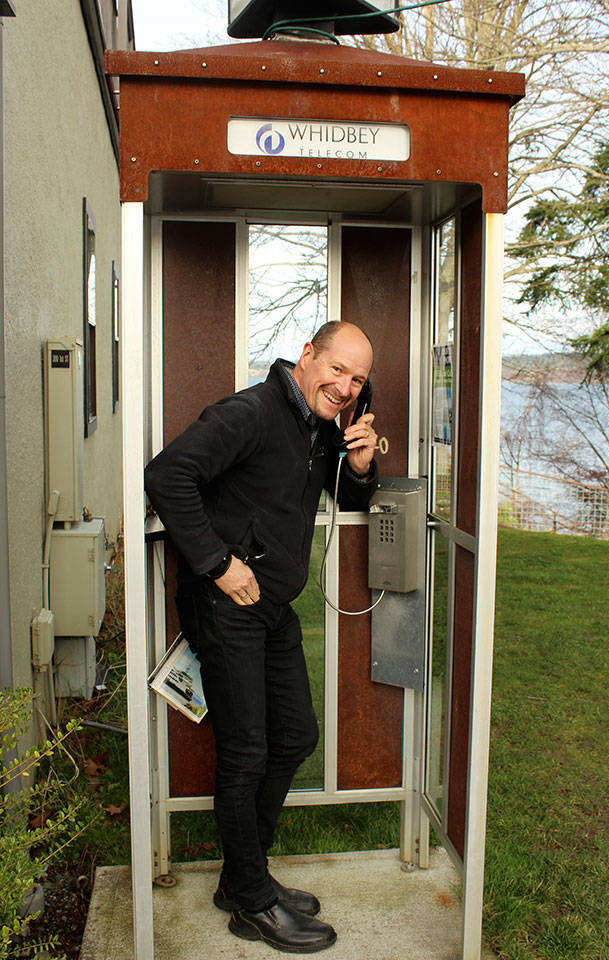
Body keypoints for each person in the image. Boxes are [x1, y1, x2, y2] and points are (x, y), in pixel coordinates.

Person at [144, 321, 378, 953]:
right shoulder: (250, 412)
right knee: (247, 751)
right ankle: (252, 902)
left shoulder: (317, 427)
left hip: (271, 606)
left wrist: (357, 465)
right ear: (308, 356)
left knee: (296, 735)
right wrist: (218, 563)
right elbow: (167, 477)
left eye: (357, 379)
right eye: (338, 370)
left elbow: (333, 489)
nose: (346, 387)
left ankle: (243, 878)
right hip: (226, 607)